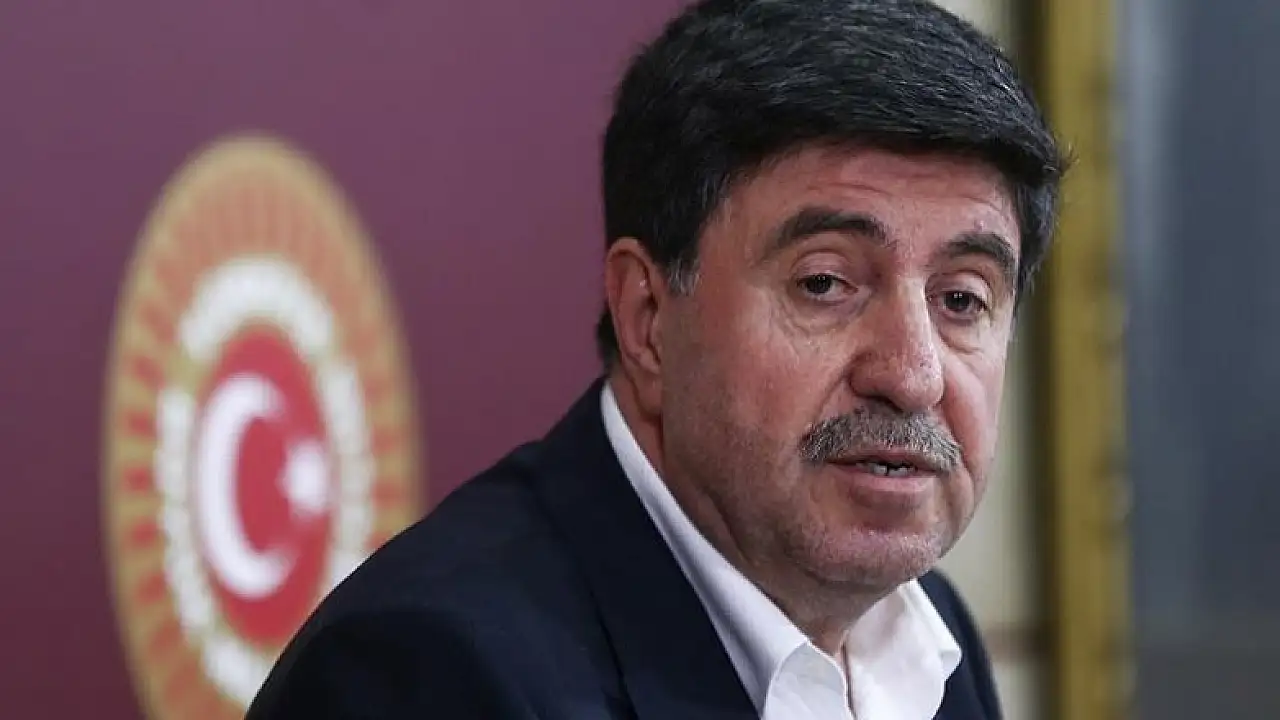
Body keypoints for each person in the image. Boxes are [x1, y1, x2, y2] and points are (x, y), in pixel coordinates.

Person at [247, 0, 1063, 717]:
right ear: (645, 318)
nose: (912, 375)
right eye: (825, 284)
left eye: (962, 300)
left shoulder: (930, 640)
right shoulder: (434, 676)